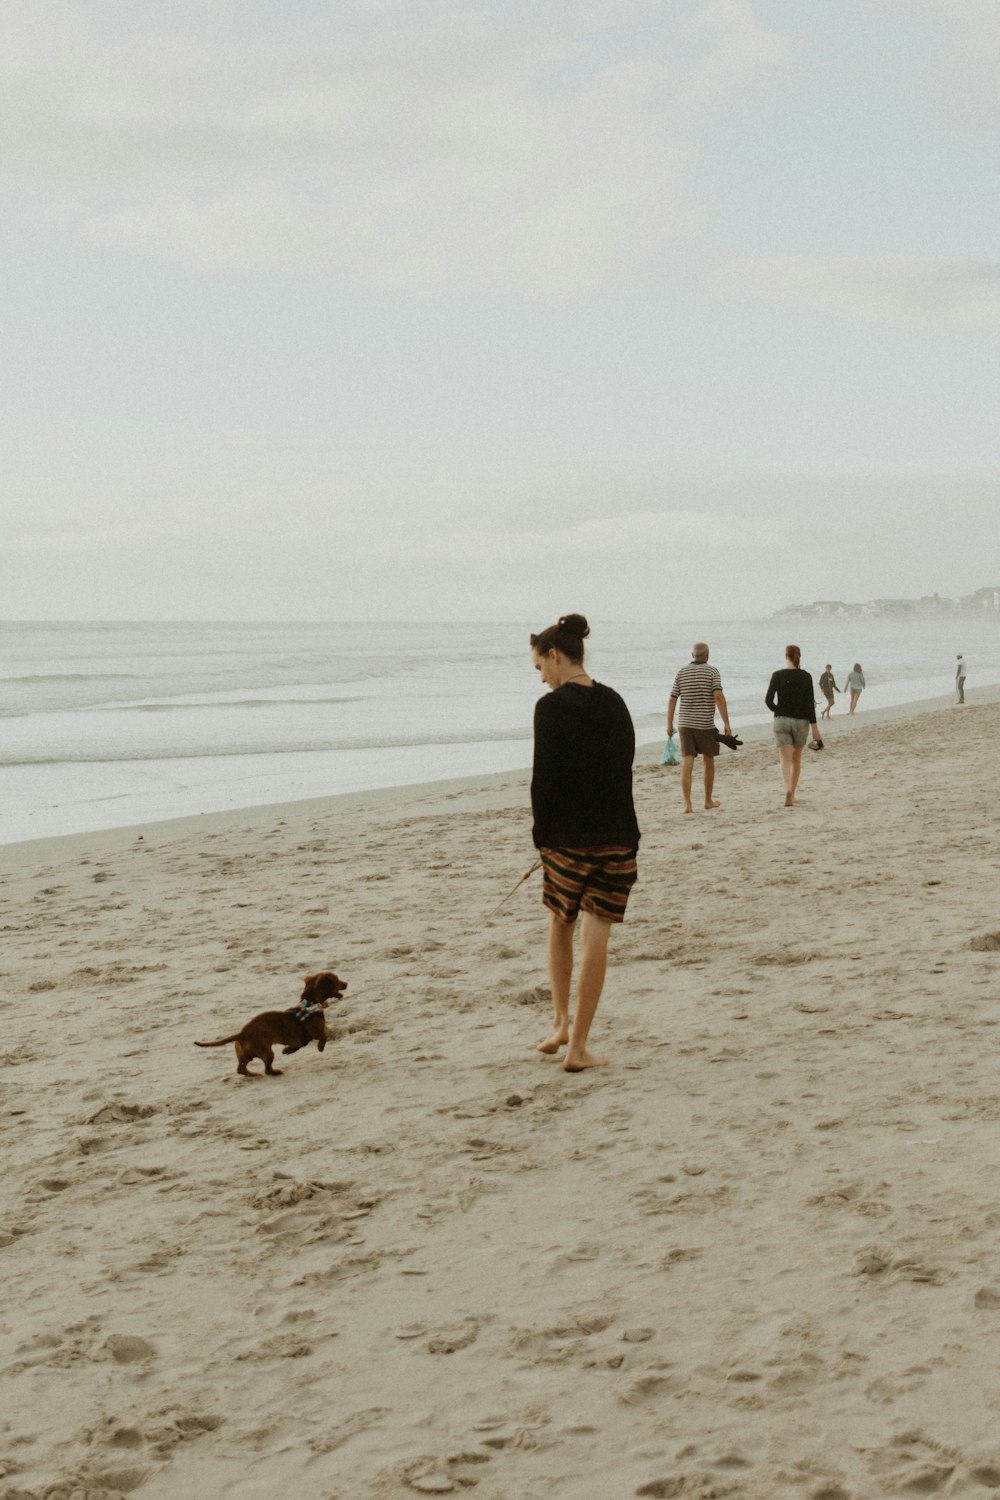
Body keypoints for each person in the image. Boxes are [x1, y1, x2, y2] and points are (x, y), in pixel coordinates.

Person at [530, 613, 640, 1072]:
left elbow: (545, 780)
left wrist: (543, 838)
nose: (541, 676)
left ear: (555, 655)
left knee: (560, 922)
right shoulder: (615, 702)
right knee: (598, 939)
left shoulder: (550, 707)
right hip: (617, 837)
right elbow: (623, 768)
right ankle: (577, 1046)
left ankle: (559, 1021)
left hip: (567, 840)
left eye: (540, 666)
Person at [666, 642, 734, 814]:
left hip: (685, 725)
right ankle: (708, 800)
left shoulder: (681, 672)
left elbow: (672, 699)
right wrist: (727, 724)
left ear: (692, 655)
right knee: (708, 760)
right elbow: (718, 696)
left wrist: (669, 724)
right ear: (707, 655)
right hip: (704, 724)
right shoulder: (712, 671)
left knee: (687, 761)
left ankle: (687, 804)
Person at [765, 645, 822, 807]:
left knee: (784, 758)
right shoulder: (806, 676)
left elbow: (768, 700)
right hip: (801, 722)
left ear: (786, 656)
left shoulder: (777, 675)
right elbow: (810, 705)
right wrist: (815, 729)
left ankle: (787, 790)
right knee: (796, 760)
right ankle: (793, 793)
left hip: (781, 721)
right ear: (799, 656)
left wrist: (779, 711)